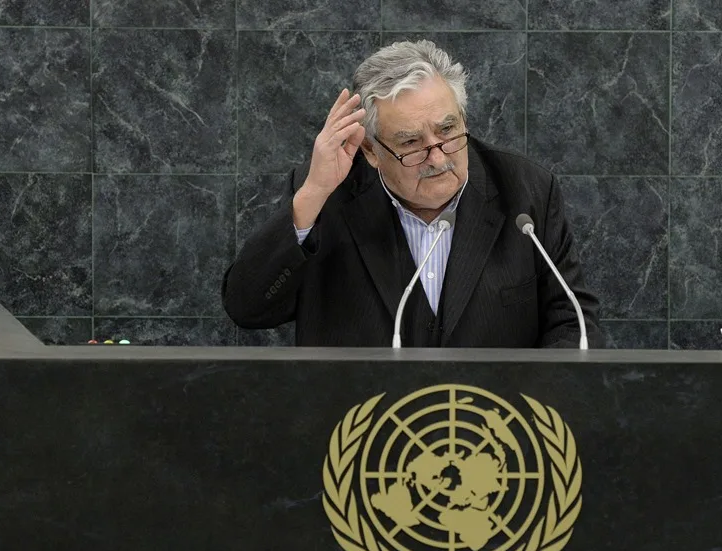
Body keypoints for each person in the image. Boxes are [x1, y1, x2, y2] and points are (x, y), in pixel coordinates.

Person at [221, 40, 603, 349]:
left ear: (464, 120)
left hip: (492, 432)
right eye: (411, 143)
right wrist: (313, 194)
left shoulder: (526, 191)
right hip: (361, 433)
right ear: (370, 151)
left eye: (448, 131)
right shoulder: (328, 193)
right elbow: (248, 309)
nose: (437, 157)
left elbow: (574, 322)